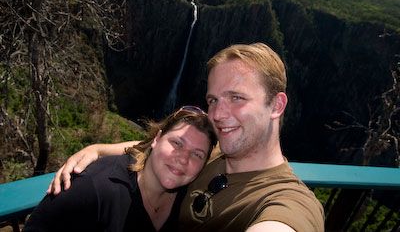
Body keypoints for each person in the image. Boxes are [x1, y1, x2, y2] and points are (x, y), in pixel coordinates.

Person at [47, 43, 325, 231]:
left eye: (237, 98)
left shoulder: (289, 201)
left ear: (276, 105)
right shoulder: (211, 155)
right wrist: (98, 150)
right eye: (213, 100)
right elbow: (159, 148)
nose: (217, 114)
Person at [23, 106, 217, 232]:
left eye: (197, 154)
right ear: (156, 139)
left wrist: (98, 149)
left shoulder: (189, 191)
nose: (183, 159)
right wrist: (97, 150)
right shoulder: (91, 189)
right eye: (177, 143)